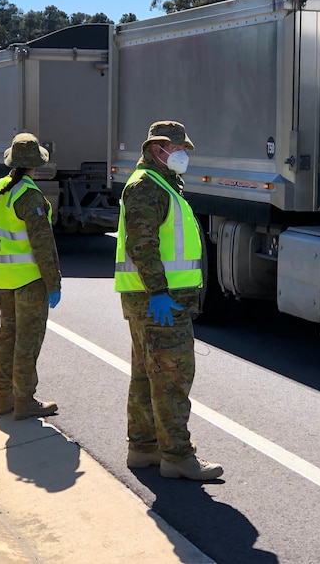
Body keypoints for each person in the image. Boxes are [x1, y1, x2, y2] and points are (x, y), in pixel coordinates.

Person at [115, 120, 224, 481]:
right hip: (160, 300)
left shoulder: (159, 184)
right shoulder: (147, 187)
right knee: (172, 378)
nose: (181, 155)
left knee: (148, 375)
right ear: (157, 149)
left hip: (149, 297)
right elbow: (141, 244)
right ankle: (177, 455)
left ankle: (143, 447)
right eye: (176, 149)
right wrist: (160, 292)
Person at [0, 133, 62, 420]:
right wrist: (53, 282)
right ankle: (25, 399)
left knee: (7, 336)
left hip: (3, 279)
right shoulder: (29, 195)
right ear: (36, 165)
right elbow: (43, 245)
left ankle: (4, 396)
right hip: (29, 280)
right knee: (27, 342)